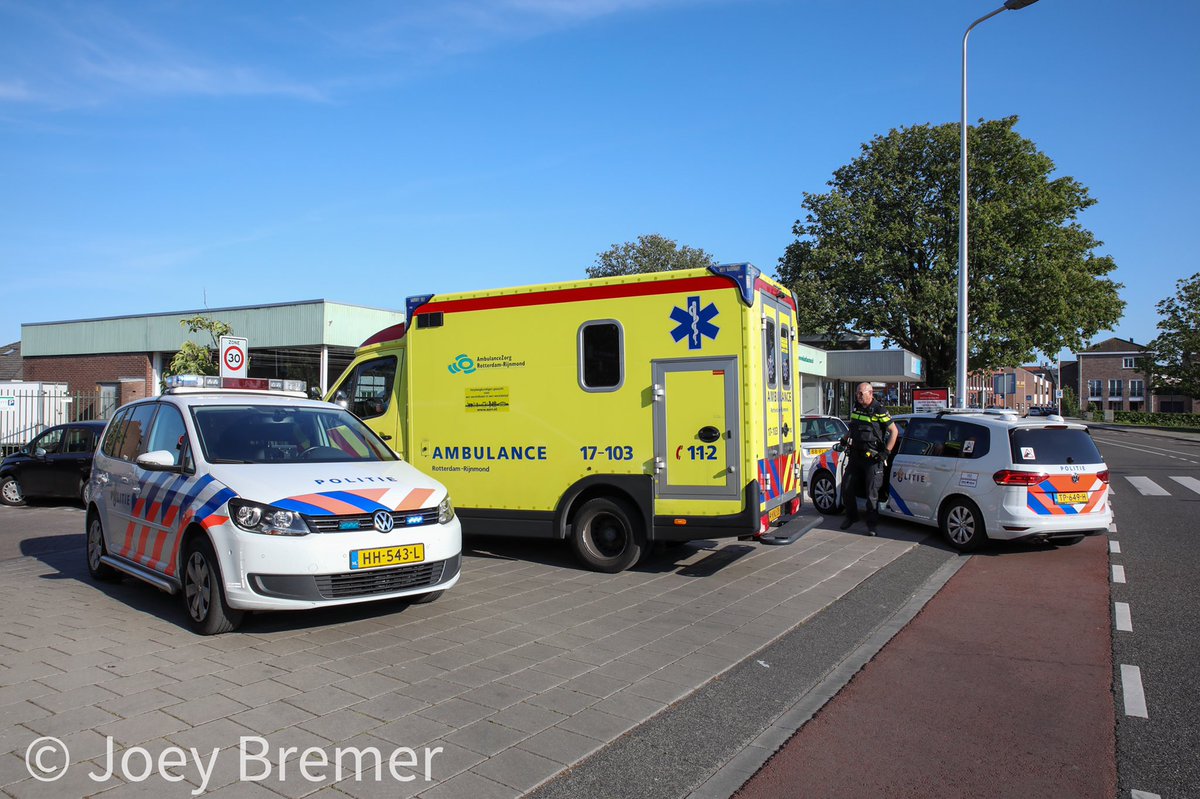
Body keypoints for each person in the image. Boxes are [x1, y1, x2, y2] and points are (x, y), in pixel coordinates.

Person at [839, 382, 899, 536]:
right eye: (857, 393)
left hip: (872, 458)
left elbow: (894, 431)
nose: (858, 396)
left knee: (872, 493)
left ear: (870, 393)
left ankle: (872, 526)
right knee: (846, 486)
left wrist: (886, 452)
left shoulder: (879, 410)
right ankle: (851, 517)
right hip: (855, 455)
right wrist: (844, 439)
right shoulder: (856, 407)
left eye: (861, 393)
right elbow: (853, 428)